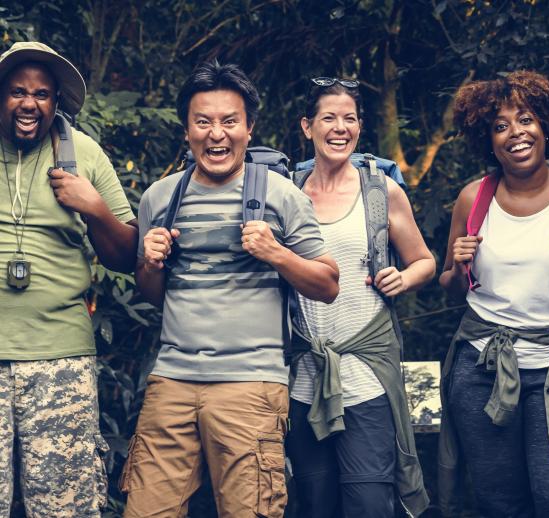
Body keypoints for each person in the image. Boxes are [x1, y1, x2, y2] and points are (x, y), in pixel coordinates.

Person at [121, 60, 339, 518]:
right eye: (203, 122)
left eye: (228, 122)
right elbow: (152, 294)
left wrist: (276, 253)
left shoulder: (283, 196)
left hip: (251, 384)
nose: (216, 134)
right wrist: (149, 260)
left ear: (249, 127)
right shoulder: (159, 198)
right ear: (187, 130)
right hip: (172, 381)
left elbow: (328, 284)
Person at [438, 70, 549, 517]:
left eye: (525, 119)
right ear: (489, 139)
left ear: (545, 126)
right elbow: (449, 285)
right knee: (498, 502)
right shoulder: (472, 199)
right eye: (500, 126)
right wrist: (459, 266)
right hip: (482, 368)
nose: (515, 133)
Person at [286, 77, 435, 518]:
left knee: (369, 502)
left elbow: (425, 261)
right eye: (328, 118)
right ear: (307, 126)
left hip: (365, 374)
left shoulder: (380, 191)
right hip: (304, 375)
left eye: (349, 119)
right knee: (315, 503)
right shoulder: (286, 192)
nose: (339, 128)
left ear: (359, 127)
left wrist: (403, 279)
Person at [0, 42, 138, 516]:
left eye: (41, 93)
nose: (28, 104)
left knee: (65, 507)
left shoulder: (82, 153)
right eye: (17, 91)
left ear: (56, 102)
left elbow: (127, 256)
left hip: (61, 358)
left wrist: (93, 207)